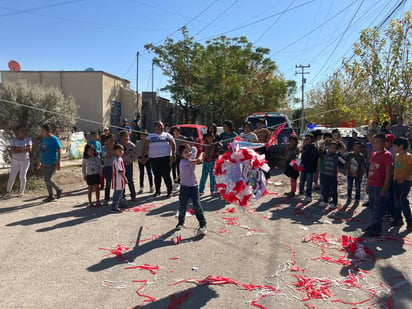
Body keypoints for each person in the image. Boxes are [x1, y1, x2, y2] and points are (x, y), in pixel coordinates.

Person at [363, 133, 393, 237]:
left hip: (379, 186)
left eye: (377, 142)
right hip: (371, 185)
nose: (374, 144)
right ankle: (373, 224)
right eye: (373, 142)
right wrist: (367, 185)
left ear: (384, 143)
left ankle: (377, 229)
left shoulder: (387, 155)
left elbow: (389, 173)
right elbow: (371, 170)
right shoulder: (374, 154)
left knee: (378, 208)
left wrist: (385, 188)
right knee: (372, 206)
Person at [175, 143, 207, 236]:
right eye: (186, 152)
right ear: (181, 155)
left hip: (194, 187)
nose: (189, 153)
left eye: (189, 151)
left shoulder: (189, 159)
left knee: (197, 205)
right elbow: (199, 160)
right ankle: (181, 222)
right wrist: (202, 153)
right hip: (184, 187)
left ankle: (203, 224)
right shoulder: (185, 161)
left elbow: (194, 150)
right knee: (182, 206)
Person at [142, 121, 176, 198]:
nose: (160, 127)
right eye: (158, 126)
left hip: (165, 158)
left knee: (166, 175)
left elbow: (173, 144)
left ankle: (169, 191)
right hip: (154, 159)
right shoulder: (150, 136)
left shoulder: (167, 135)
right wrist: (143, 156)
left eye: (161, 126)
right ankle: (158, 191)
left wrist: (173, 153)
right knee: (157, 175)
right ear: (155, 127)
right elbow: (146, 146)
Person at [37, 124, 63, 202]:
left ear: (48, 131)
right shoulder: (44, 139)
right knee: (46, 179)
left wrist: (58, 162)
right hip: (44, 162)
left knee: (48, 179)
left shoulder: (54, 139)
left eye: (43, 131)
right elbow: (41, 151)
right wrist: (39, 161)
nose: (41, 133)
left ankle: (59, 189)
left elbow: (59, 150)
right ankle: (50, 195)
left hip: (52, 162)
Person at [5, 125, 32, 197]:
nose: (23, 132)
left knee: (22, 176)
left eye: (24, 130)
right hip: (15, 161)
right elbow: (13, 150)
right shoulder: (13, 140)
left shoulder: (28, 139)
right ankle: (8, 192)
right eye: (21, 130)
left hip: (25, 160)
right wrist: (23, 149)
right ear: (18, 131)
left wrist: (18, 148)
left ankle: (21, 191)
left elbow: (29, 149)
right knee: (12, 176)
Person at [392, 137, 412, 230]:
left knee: (402, 199)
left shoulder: (409, 156)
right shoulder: (396, 155)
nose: (393, 147)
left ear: (401, 146)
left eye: (395, 145)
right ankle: (398, 219)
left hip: (406, 181)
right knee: (396, 201)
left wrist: (403, 178)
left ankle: (410, 221)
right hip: (396, 180)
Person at [299, 134, 319, 203]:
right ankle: (301, 193)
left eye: (308, 139)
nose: (306, 140)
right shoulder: (305, 147)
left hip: (310, 168)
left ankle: (309, 196)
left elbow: (315, 158)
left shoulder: (314, 148)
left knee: (309, 182)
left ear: (311, 140)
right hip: (304, 167)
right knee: (302, 181)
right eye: (305, 139)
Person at [319, 141, 340, 209]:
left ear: (336, 149)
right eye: (331, 147)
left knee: (334, 190)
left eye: (334, 148)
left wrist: (339, 141)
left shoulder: (337, 155)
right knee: (326, 188)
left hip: (333, 176)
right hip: (326, 175)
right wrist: (327, 140)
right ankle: (325, 201)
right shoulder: (325, 153)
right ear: (328, 147)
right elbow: (321, 145)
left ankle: (334, 202)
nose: (332, 149)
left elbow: (344, 149)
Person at [199, 132, 220, 196]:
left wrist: (218, 152)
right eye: (208, 137)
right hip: (205, 161)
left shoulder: (215, 144)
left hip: (213, 162)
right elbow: (202, 151)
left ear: (213, 138)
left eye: (211, 137)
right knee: (203, 176)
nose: (210, 139)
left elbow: (218, 151)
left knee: (212, 177)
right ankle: (201, 190)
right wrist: (202, 156)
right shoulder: (204, 144)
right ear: (206, 138)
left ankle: (212, 190)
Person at [120, 130, 138, 201]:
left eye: (127, 136)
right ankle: (122, 196)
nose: (126, 137)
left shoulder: (131, 145)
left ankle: (133, 195)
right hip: (121, 165)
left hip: (129, 164)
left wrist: (131, 160)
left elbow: (136, 154)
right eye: (125, 136)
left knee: (130, 180)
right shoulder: (119, 145)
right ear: (121, 137)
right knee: (122, 180)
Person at [111, 144, 128, 213]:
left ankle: (118, 204)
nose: (121, 152)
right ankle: (114, 207)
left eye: (122, 150)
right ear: (115, 151)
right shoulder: (116, 160)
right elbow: (120, 171)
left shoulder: (120, 159)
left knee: (119, 192)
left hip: (120, 179)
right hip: (118, 179)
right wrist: (125, 178)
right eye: (119, 150)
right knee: (117, 193)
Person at [101, 133, 115, 204]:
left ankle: (118, 197)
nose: (112, 142)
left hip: (115, 167)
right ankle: (106, 198)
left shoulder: (116, 147)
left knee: (117, 183)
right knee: (108, 183)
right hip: (108, 167)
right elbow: (107, 157)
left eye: (113, 140)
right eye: (110, 140)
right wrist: (110, 148)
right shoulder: (103, 148)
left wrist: (113, 148)